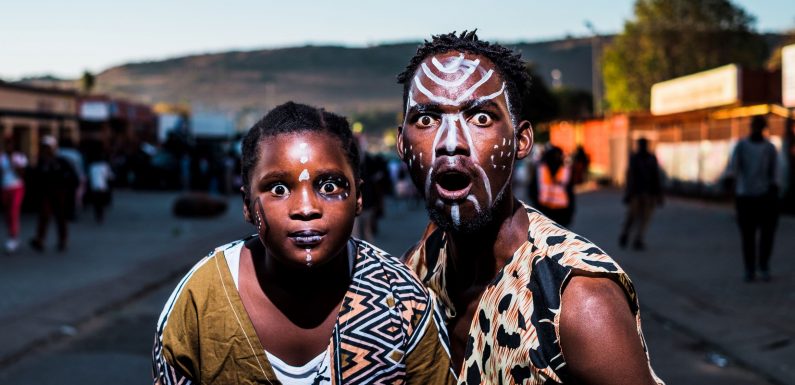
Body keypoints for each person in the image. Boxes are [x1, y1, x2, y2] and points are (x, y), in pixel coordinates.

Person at [396, 31, 663, 384]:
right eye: (427, 119)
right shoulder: (416, 271)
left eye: (480, 118)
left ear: (521, 141)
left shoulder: (578, 301)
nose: (451, 143)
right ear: (402, 143)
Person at [152, 102, 454, 385]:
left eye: (329, 185)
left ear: (359, 198)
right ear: (247, 204)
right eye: (279, 188)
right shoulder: (200, 302)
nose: (306, 208)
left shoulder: (401, 299)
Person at [727, 116, 779, 282]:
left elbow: (775, 173)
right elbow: (732, 168)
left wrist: (774, 190)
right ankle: (750, 268)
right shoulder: (742, 146)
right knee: (748, 236)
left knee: (766, 235)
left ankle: (762, 266)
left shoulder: (770, 148)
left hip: (763, 197)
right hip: (746, 197)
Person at [29, 135, 78, 252]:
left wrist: (68, 189)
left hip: (59, 192)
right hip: (46, 192)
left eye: (48, 147)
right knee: (44, 215)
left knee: (60, 217)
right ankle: (40, 239)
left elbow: (73, 177)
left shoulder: (61, 162)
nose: (46, 150)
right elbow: (36, 177)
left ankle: (63, 240)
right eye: (44, 147)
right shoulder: (42, 162)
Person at [619, 138, 663, 251]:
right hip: (636, 193)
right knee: (632, 216)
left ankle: (638, 239)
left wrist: (658, 194)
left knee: (645, 218)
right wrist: (628, 193)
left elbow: (656, 177)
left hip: (648, 193)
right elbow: (630, 176)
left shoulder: (651, 158)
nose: (642, 146)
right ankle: (625, 234)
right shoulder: (635, 158)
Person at [529, 145, 575, 226]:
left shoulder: (565, 171)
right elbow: (532, 189)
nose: (556, 158)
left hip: (560, 211)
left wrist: (569, 212)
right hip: (545, 209)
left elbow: (570, 192)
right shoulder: (541, 169)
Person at [0, 137, 28, 253]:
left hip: (16, 187)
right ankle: (12, 234)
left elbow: (22, 174)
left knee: (13, 211)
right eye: (7, 144)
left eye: (10, 144)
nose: (8, 147)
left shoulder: (19, 157)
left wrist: (14, 163)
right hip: (4, 188)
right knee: (7, 214)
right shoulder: (1, 157)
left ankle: (13, 237)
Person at [87, 154, 114, 223]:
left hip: (94, 187)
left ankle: (97, 215)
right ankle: (100, 216)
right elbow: (110, 176)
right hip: (102, 186)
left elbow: (89, 176)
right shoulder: (104, 166)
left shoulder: (92, 166)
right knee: (101, 203)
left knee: (96, 203)